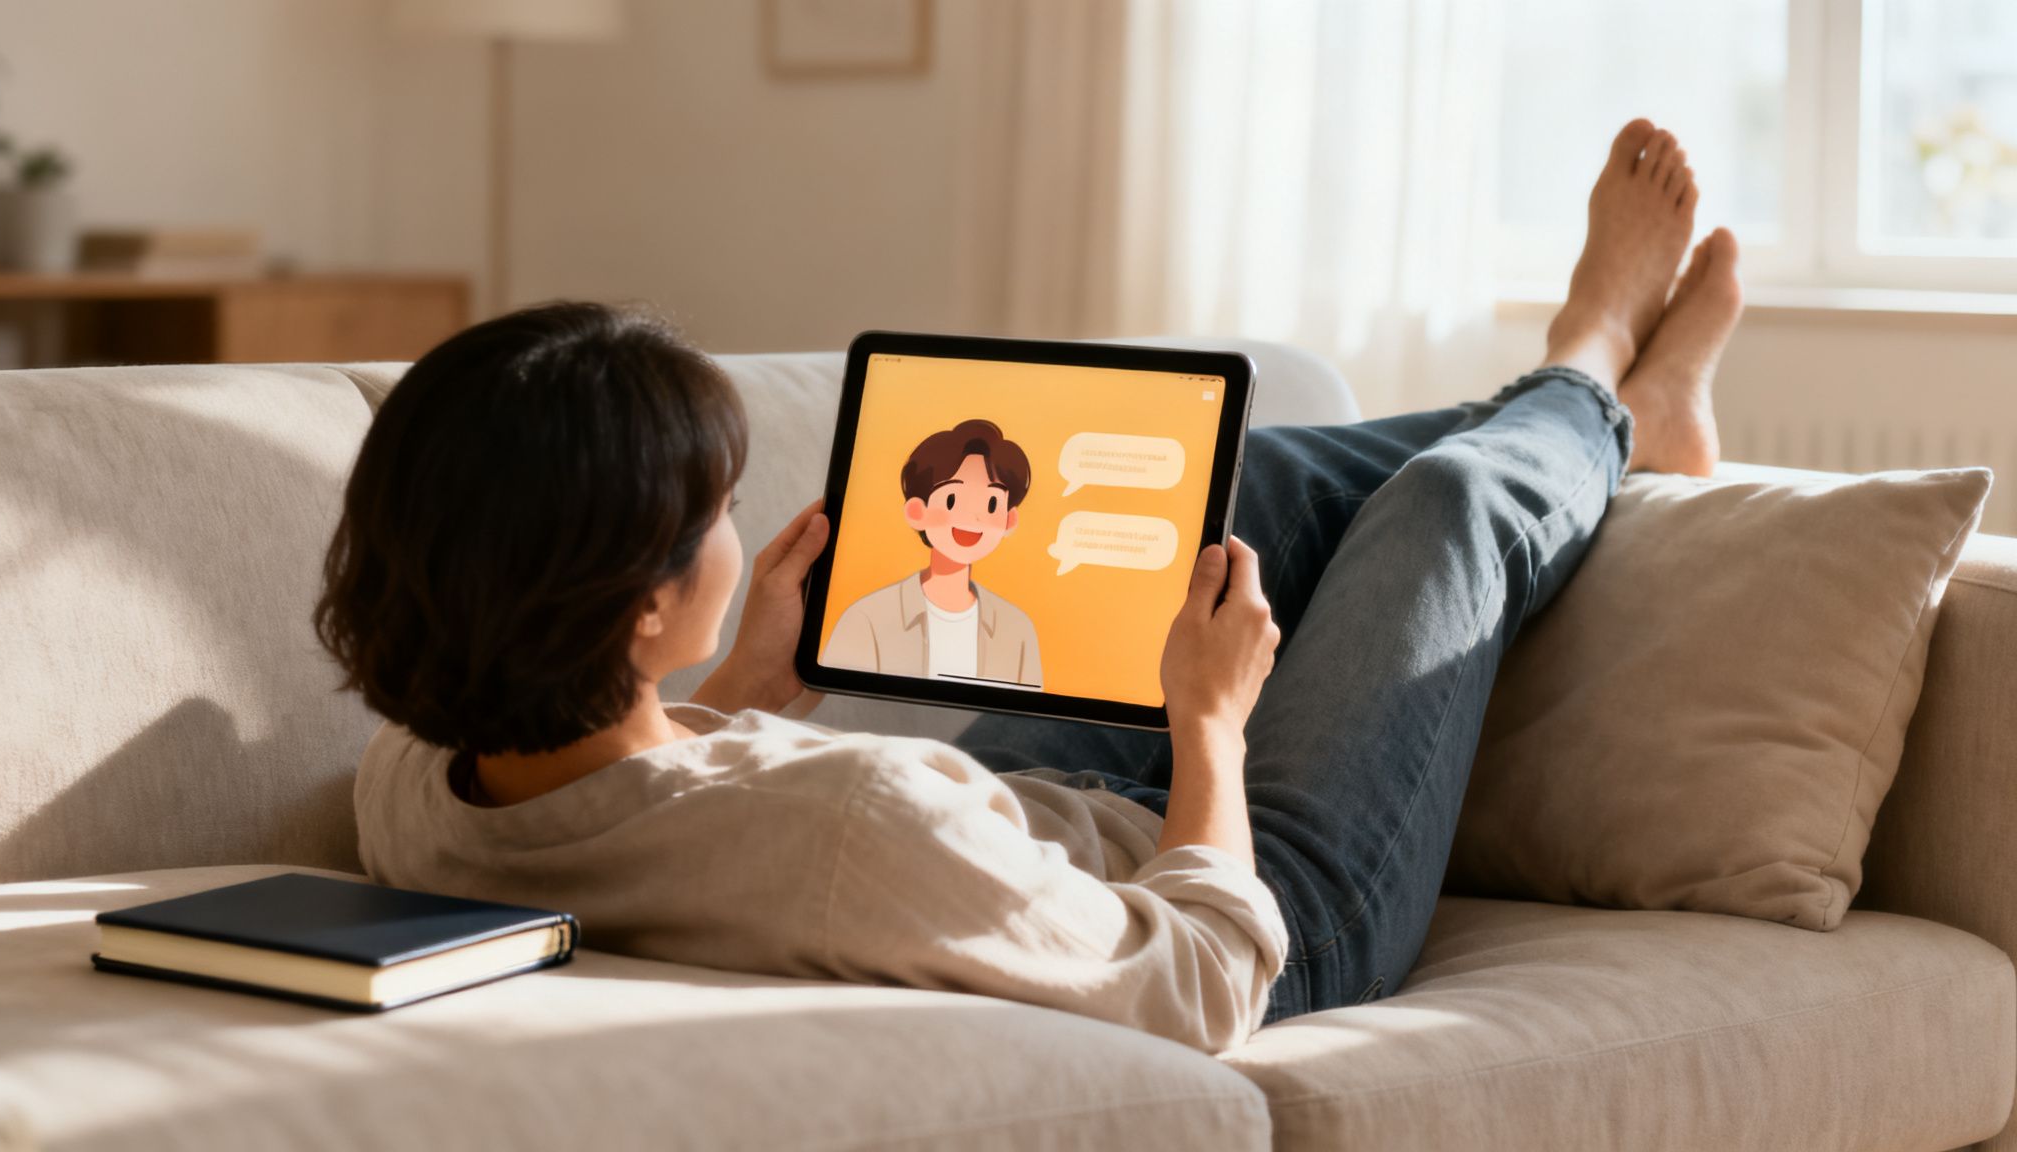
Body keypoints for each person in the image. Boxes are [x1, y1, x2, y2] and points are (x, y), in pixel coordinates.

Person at [319, 119, 1741, 1054]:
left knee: (1237, 493)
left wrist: (746, 693)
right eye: (705, 512)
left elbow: (651, 825)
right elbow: (1195, 982)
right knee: (1444, 511)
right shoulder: (857, 820)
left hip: (1031, 843)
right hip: (1266, 902)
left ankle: (1604, 418)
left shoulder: (417, 783)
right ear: (635, 606)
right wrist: (1209, 728)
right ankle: (1595, 353)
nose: (730, 527)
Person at [820, 418, 1043, 686]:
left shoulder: (1018, 630)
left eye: (992, 503)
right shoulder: (867, 619)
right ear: (917, 512)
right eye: (952, 499)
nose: (973, 517)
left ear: (1009, 520)